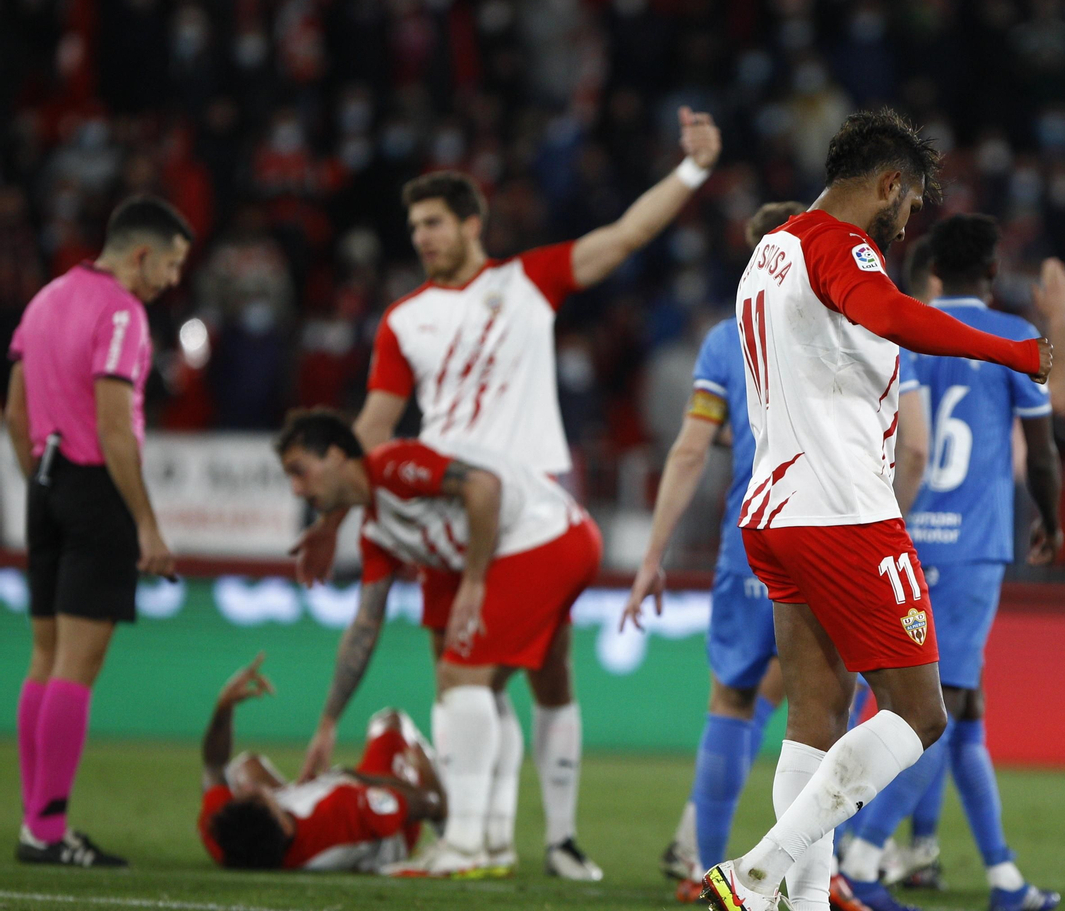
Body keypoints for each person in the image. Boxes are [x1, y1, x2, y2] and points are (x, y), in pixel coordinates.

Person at [291, 107, 723, 881]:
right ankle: (486, 836)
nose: (422, 238)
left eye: (434, 222)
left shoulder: (526, 282)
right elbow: (372, 427)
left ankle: (549, 838)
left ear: (471, 223)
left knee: (535, 671)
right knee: (462, 677)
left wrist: (692, 169)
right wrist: (334, 508)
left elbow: (625, 235)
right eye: (414, 227)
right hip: (443, 509)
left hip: (528, 506)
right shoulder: (404, 320)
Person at [700, 109, 1051, 911]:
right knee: (922, 714)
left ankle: (805, 901)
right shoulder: (838, 243)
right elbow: (889, 315)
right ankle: (757, 873)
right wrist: (1016, 352)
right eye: (911, 203)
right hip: (842, 510)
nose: (907, 222)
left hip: (774, 511)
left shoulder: (770, 251)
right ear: (889, 184)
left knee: (813, 720)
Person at [622, 200, 926, 907]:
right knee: (827, 708)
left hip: (753, 536)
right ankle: (805, 875)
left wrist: (652, 555)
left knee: (736, 697)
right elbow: (911, 446)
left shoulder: (728, 335)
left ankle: (707, 864)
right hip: (840, 530)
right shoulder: (860, 315)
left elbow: (690, 448)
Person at [837, 214, 1063, 911]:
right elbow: (1042, 450)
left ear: (933, 271)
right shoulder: (1013, 335)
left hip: (903, 539)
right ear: (993, 272)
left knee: (962, 710)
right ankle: (863, 860)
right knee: (940, 707)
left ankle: (1003, 878)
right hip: (971, 546)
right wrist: (1051, 519)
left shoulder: (902, 329)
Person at [274, 409, 601, 878]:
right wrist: (327, 725)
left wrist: (474, 580)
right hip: (557, 536)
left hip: (544, 535)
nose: (296, 489)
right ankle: (494, 840)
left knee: (460, 676)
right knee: (488, 686)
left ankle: (464, 843)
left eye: (299, 470)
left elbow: (483, 487)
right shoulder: (376, 530)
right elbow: (365, 626)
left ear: (338, 455)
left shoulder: (392, 465)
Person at [5, 194, 192, 868]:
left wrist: (40, 482)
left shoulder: (45, 299)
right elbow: (115, 427)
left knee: (44, 658)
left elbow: (15, 410)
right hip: (94, 489)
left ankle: (37, 823)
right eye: (170, 264)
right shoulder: (122, 313)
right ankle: (47, 832)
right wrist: (146, 525)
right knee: (77, 668)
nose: (172, 279)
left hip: (46, 485)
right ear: (140, 255)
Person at [198, 653, 445, 872]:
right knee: (391, 721)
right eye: (255, 797)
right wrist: (351, 775)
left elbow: (214, 765)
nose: (247, 789)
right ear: (284, 825)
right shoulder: (342, 813)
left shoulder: (227, 840)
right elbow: (428, 803)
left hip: (324, 810)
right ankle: (450, 831)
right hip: (390, 827)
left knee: (245, 767)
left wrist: (224, 706)